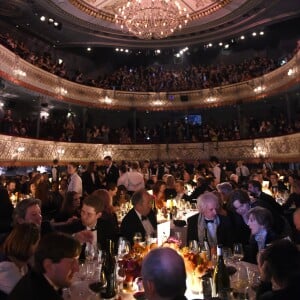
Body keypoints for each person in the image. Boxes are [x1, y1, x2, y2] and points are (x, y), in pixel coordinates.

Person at [8, 232, 81, 300]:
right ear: (48, 266)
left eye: (77, 261)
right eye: (71, 262)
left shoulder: (35, 277)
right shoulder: (40, 295)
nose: (77, 269)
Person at [0, 223, 40, 298]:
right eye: (38, 244)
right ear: (30, 245)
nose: (38, 249)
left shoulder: (23, 265)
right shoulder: (7, 270)